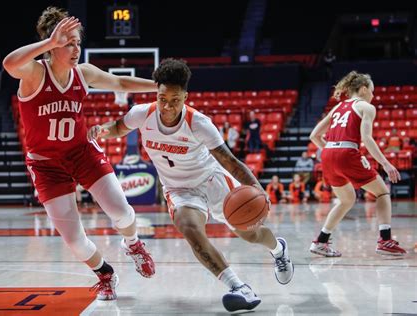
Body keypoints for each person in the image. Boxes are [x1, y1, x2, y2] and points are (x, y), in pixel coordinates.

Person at [88, 58, 294, 312]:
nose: (167, 107)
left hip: (212, 181)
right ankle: (239, 288)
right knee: (191, 231)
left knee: (250, 234)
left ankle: (278, 249)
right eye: (163, 98)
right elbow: (119, 127)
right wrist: (103, 130)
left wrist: (258, 190)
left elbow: (230, 161)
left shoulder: (199, 123)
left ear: (185, 96)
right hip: (179, 190)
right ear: (157, 92)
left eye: (175, 100)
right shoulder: (143, 113)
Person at [3, 6, 157, 300]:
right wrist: (50, 42)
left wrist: (159, 87)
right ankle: (105, 274)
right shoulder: (35, 72)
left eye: (77, 42)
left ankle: (134, 244)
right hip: (46, 164)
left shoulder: (82, 73)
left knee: (122, 212)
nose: (75, 49)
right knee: (74, 241)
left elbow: (121, 83)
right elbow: (10, 63)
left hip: (81, 152)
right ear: (52, 44)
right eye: (68, 42)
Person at [309, 70, 406, 257]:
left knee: (346, 200)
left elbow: (314, 136)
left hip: (328, 154)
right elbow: (367, 138)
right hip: (346, 152)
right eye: (372, 91)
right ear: (362, 89)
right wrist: (385, 163)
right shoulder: (366, 107)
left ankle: (320, 241)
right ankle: (385, 240)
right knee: (382, 192)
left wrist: (333, 152)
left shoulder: (337, 108)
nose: (373, 95)